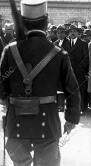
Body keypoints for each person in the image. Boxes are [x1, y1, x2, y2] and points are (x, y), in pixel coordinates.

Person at [0, 0, 80, 165]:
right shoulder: (59, 54)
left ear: (23, 23)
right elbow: (72, 90)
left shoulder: (9, 51)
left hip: (16, 123)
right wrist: (71, 118)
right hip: (47, 124)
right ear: (46, 22)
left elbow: (1, 90)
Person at [68, 24, 89, 114]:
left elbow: (86, 58)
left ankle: (81, 108)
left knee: (80, 90)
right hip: (69, 72)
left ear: (78, 33)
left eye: (74, 31)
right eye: (71, 31)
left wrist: (79, 68)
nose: (72, 33)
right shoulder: (66, 43)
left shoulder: (83, 44)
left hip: (80, 71)